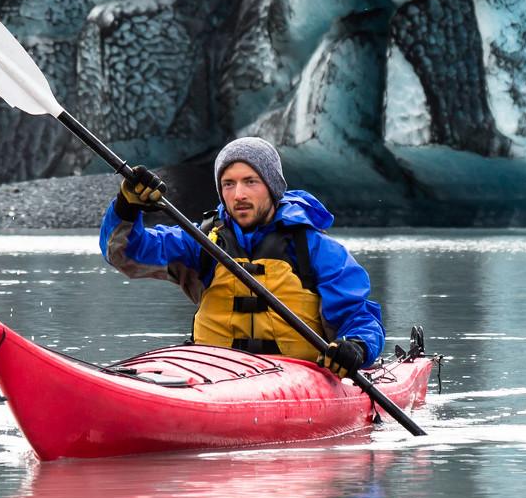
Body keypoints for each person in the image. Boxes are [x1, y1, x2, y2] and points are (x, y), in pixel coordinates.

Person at [99, 135, 386, 374]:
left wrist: (356, 347)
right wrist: (127, 206)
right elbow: (125, 253)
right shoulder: (202, 242)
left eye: (251, 181)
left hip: (296, 377)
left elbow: (359, 316)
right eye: (229, 183)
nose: (239, 195)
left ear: (272, 187)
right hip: (214, 373)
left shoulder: (317, 249)